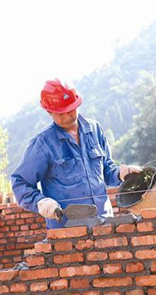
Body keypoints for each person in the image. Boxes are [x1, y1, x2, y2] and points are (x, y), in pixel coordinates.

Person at [11, 78, 141, 229]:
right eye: (60, 114)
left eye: (70, 110)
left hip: (104, 223)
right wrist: (40, 202)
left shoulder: (94, 130)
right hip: (68, 230)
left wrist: (121, 173)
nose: (67, 117)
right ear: (49, 112)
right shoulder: (43, 144)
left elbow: (106, 170)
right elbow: (20, 182)